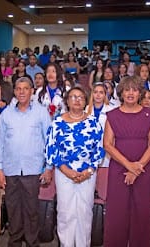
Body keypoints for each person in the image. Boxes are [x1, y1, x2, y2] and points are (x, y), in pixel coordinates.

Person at [0, 77, 52, 247]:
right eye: (18, 89)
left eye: (25, 88)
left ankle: (33, 243)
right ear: (15, 91)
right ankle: (15, 243)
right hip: (10, 171)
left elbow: (49, 141)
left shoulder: (41, 112)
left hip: (32, 171)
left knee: (32, 211)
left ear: (32, 91)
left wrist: (48, 168)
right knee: (13, 211)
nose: (22, 92)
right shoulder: (7, 114)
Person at [103, 76, 150, 246]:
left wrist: (137, 167)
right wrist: (129, 166)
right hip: (119, 169)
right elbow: (107, 144)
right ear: (121, 93)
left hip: (143, 169)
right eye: (127, 89)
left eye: (134, 90)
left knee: (141, 212)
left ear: (140, 93)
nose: (130, 93)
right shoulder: (112, 115)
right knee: (117, 212)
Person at [45, 86, 105, 246]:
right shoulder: (57, 122)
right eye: (73, 97)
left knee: (85, 213)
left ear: (85, 101)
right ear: (67, 101)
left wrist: (89, 171)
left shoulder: (93, 123)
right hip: (63, 172)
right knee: (65, 212)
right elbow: (51, 149)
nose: (77, 100)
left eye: (80, 97)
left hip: (88, 173)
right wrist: (67, 171)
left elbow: (99, 150)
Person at [86, 82, 114, 167]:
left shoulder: (111, 110)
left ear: (105, 95)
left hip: (106, 147)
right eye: (95, 92)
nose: (98, 95)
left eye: (101, 92)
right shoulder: (86, 109)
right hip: (89, 147)